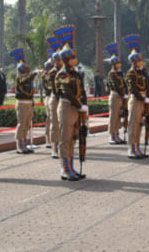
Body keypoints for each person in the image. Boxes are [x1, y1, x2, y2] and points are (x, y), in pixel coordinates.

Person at [54, 25, 88, 181]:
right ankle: (64, 169)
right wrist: (80, 105)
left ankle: (72, 167)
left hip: (76, 108)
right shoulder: (63, 74)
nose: (76, 58)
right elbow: (66, 91)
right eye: (73, 56)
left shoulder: (75, 73)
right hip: (68, 107)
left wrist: (84, 105)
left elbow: (81, 90)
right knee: (65, 138)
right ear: (67, 58)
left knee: (74, 138)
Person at [124, 35, 149, 159]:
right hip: (136, 100)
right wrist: (143, 98)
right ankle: (131, 148)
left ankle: (137, 147)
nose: (142, 62)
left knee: (140, 125)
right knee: (133, 125)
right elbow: (133, 89)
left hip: (142, 99)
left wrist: (146, 98)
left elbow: (147, 85)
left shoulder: (141, 72)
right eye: (140, 60)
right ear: (135, 61)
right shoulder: (131, 73)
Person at [10, 48, 37, 154]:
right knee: (21, 125)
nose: (27, 71)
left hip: (28, 103)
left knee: (27, 125)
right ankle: (19, 146)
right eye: (25, 69)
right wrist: (33, 75)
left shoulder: (29, 79)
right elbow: (25, 81)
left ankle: (24, 144)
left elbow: (31, 91)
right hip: (22, 104)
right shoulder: (19, 79)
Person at [104, 43, 127, 145]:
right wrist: (123, 94)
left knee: (118, 116)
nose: (119, 64)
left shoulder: (119, 73)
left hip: (121, 96)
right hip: (115, 96)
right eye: (117, 63)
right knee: (113, 116)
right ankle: (112, 135)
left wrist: (126, 93)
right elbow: (115, 86)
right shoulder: (112, 74)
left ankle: (117, 134)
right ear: (114, 64)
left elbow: (124, 84)